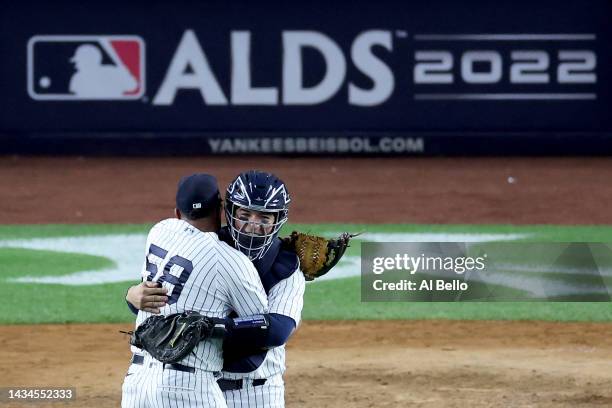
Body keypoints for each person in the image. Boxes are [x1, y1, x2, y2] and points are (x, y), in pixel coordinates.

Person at [126, 170, 306, 408]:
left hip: (257, 391)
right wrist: (132, 297)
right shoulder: (208, 247)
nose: (252, 226)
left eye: (264, 218)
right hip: (204, 385)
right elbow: (169, 301)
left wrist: (214, 326)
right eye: (245, 214)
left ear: (278, 220)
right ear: (229, 212)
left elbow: (277, 330)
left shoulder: (287, 264)